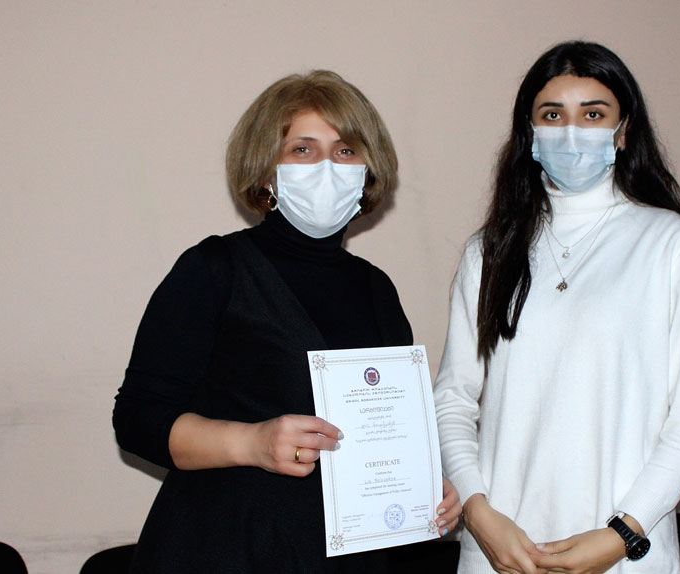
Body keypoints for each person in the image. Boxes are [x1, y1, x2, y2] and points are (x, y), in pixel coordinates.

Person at [114, 70, 460, 573]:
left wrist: (421, 484)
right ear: (266, 172)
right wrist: (251, 442)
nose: (327, 167)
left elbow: (387, 427)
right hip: (228, 547)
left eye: (345, 151)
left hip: (346, 556)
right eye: (302, 149)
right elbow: (137, 419)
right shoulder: (214, 270)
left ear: (368, 170)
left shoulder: (377, 289)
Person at [433, 41, 680, 574]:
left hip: (624, 552)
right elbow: (452, 399)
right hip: (501, 551)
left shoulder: (673, 243)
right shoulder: (488, 252)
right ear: (529, 132)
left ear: (623, 131)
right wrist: (479, 514)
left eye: (592, 114)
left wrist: (621, 534)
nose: (571, 132)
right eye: (552, 115)